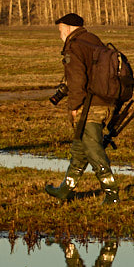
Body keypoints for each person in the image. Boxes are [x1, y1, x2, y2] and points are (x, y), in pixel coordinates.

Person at [45, 13, 119, 204]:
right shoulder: (93, 40)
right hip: (103, 101)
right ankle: (65, 189)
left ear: (68, 28)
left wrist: (74, 106)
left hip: (89, 105)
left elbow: (77, 80)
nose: (59, 33)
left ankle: (111, 192)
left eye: (60, 29)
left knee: (93, 149)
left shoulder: (75, 46)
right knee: (80, 148)